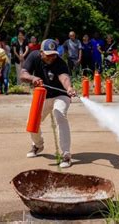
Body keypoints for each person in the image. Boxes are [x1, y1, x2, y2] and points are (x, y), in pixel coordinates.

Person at [21, 39, 76, 168]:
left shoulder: (60, 62)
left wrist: (69, 88)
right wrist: (33, 78)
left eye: (54, 54)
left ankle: (66, 155)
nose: (52, 57)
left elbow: (64, 77)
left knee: (59, 114)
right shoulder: (34, 56)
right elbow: (23, 74)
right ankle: (38, 145)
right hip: (43, 96)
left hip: (61, 95)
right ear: (41, 52)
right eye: (48, 54)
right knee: (33, 121)